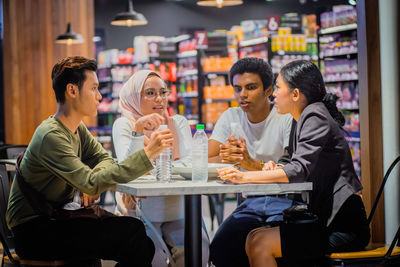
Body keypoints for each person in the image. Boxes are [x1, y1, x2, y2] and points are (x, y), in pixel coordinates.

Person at [6, 56, 173, 267]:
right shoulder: (51, 135)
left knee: (135, 232)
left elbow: (103, 160)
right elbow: (92, 182)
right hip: (33, 231)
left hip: (57, 218)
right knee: (132, 236)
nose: (100, 96)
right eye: (94, 88)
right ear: (72, 91)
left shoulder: (77, 129)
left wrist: (92, 182)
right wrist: (148, 153)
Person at [217, 60, 370, 267]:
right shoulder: (301, 117)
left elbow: (299, 169)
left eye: (278, 87)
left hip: (341, 227)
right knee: (254, 237)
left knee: (260, 243)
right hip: (324, 218)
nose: (273, 94)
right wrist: (276, 167)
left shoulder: (315, 115)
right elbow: (289, 159)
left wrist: (244, 176)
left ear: (295, 94)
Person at [112, 69, 209, 267]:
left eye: (163, 92)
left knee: (200, 253)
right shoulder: (124, 125)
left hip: (177, 209)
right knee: (153, 258)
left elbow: (191, 162)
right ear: (134, 97)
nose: (159, 99)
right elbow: (127, 169)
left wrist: (161, 165)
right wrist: (138, 132)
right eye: (150, 93)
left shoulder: (178, 122)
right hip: (139, 211)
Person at [208, 57, 293, 267]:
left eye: (251, 87)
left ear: (268, 91)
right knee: (221, 248)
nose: (242, 95)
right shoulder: (231, 116)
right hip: (250, 203)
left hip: (286, 202)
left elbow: (288, 168)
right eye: (237, 88)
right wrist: (230, 158)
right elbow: (206, 158)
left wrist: (246, 162)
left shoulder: (285, 117)